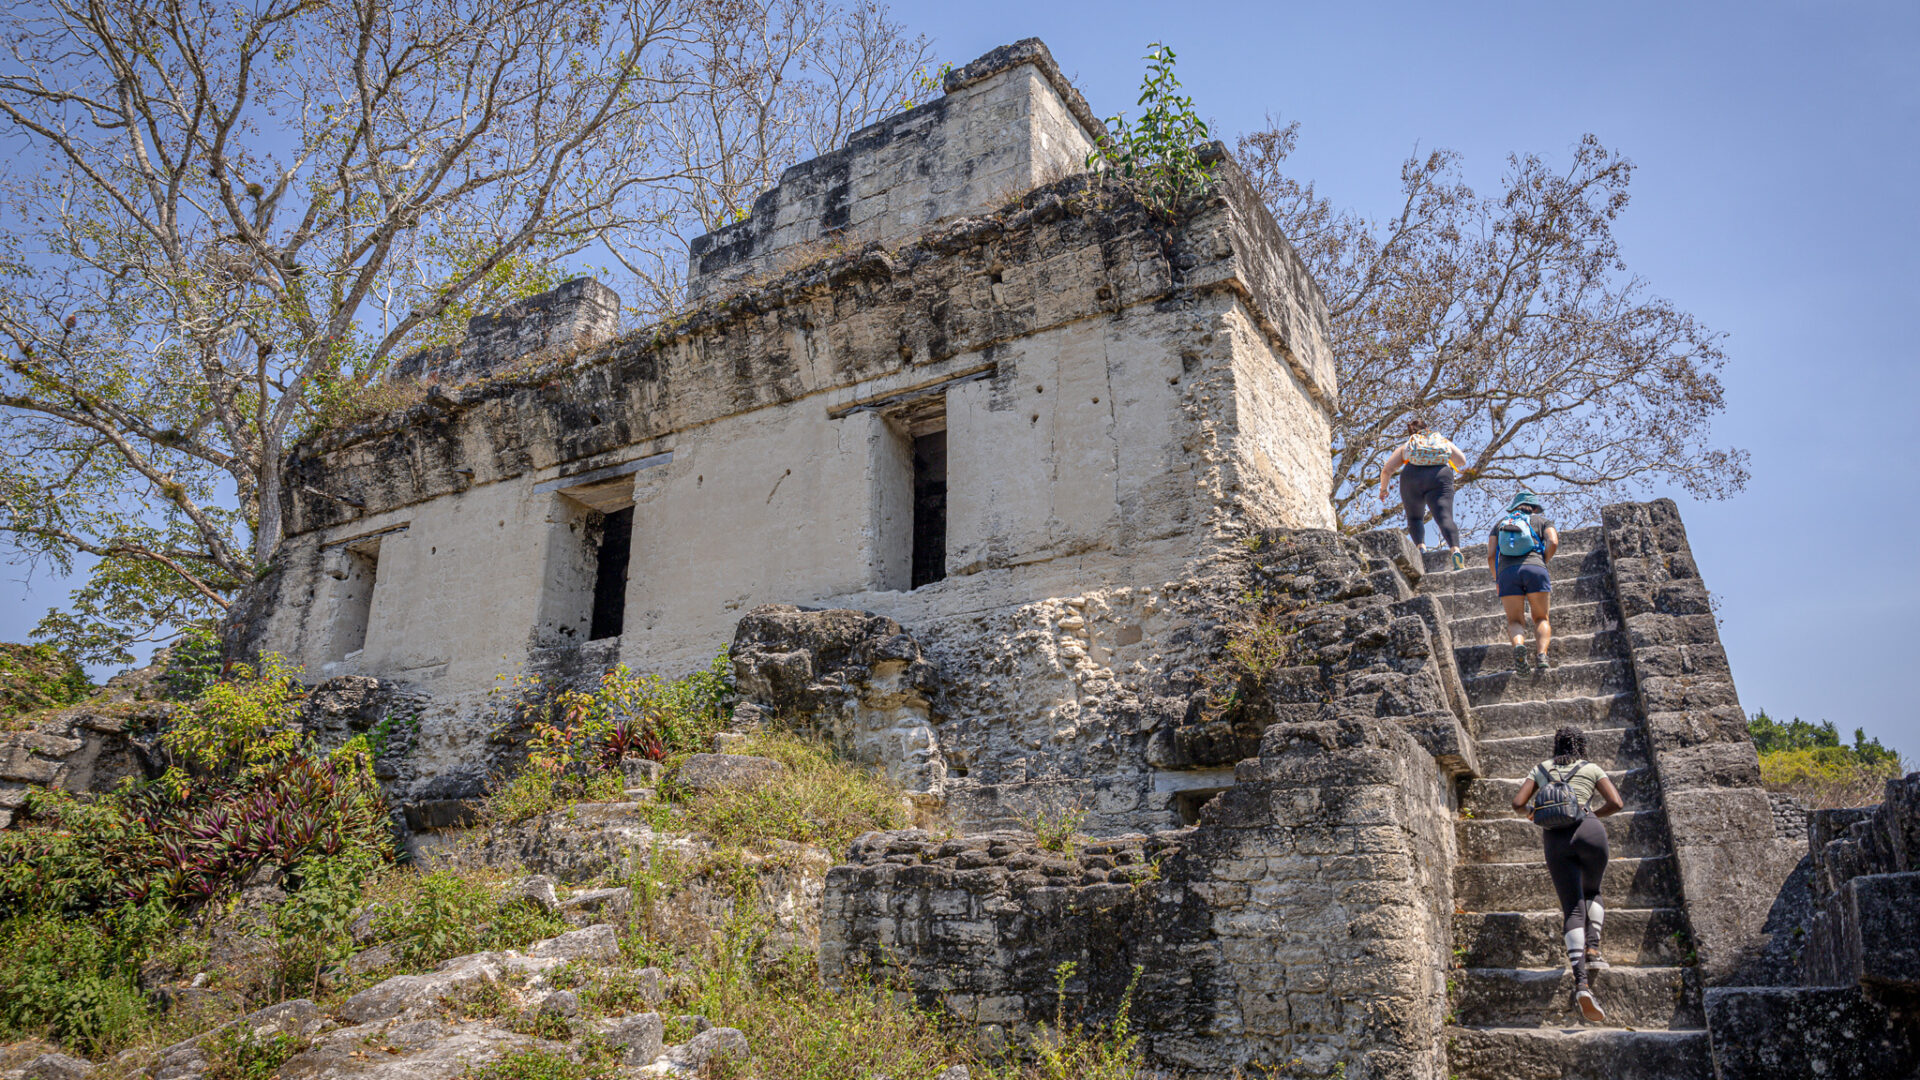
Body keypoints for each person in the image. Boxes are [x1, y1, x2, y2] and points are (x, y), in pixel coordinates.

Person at [1511, 726, 1627, 1024]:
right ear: (1581, 747)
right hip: (1590, 831)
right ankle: (1594, 948)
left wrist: (1534, 816)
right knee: (1593, 890)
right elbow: (1616, 803)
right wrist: (1590, 816)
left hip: (1556, 838)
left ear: (1556, 745)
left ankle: (1582, 985)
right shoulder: (1591, 768)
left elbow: (1517, 803)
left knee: (1572, 907)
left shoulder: (1540, 769)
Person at [1377, 418, 1471, 569]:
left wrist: (1383, 489)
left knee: (1415, 518)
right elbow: (1461, 460)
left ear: (1410, 433)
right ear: (1428, 428)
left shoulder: (1408, 445)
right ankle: (1455, 551)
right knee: (1444, 516)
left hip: (1411, 477)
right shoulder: (1442, 441)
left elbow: (1387, 469)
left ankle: (1421, 550)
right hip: (1440, 475)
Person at [1488, 491, 1558, 674]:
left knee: (1515, 620)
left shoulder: (1500, 524)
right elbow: (1553, 541)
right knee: (1541, 617)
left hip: (1507, 573)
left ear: (1514, 507)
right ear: (1534, 508)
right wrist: (1542, 560)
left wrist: (1497, 579)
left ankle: (1519, 646)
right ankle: (1542, 655)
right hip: (1536, 568)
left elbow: (1490, 555)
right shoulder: (1542, 521)